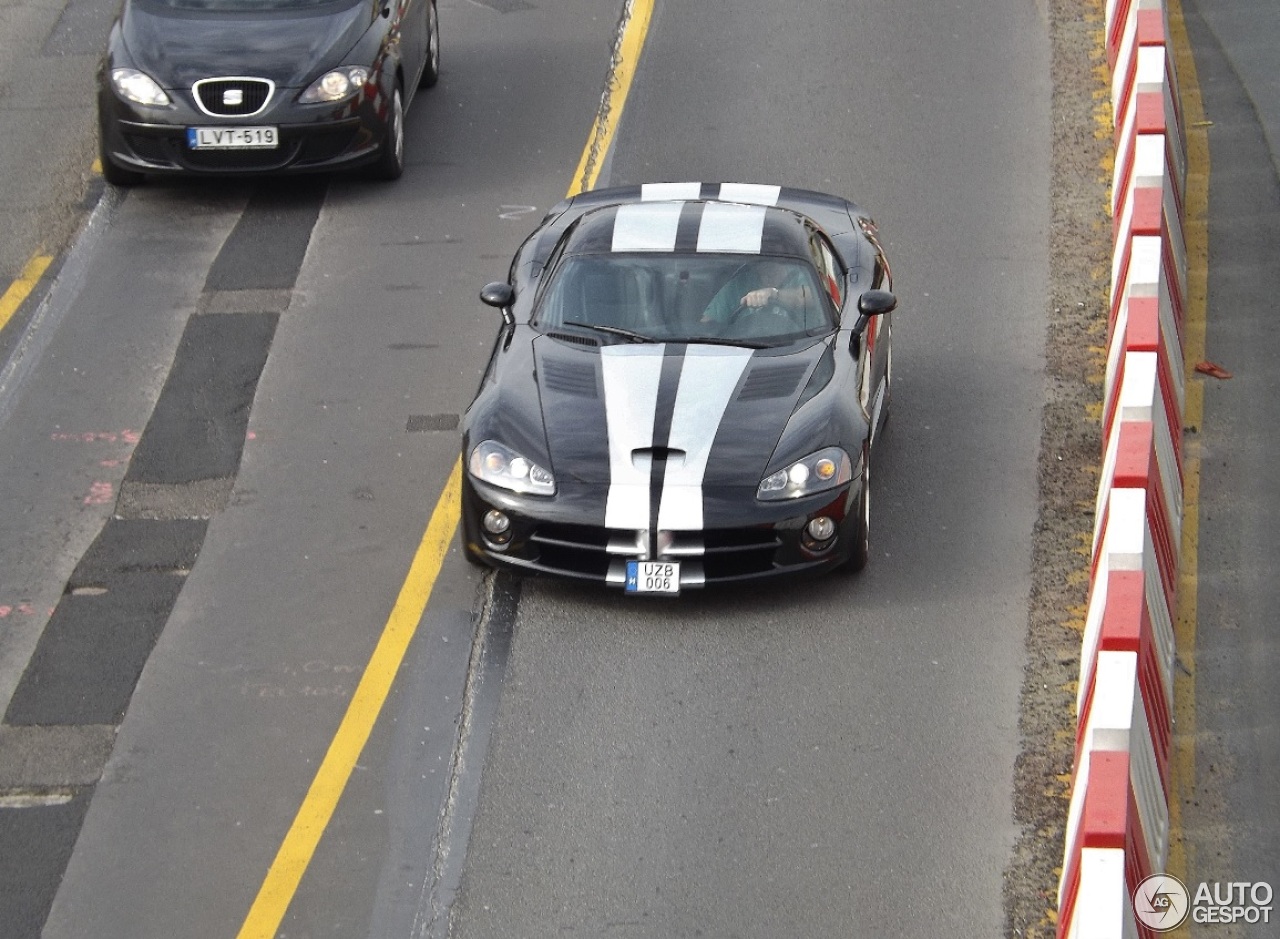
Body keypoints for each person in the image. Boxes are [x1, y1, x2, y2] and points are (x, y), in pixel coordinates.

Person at [700, 258, 811, 328]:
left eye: (771, 262)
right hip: (741, 349)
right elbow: (707, 324)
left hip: (798, 346)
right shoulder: (740, 283)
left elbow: (809, 297)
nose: (766, 266)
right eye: (760, 263)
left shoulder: (801, 274)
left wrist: (774, 294)